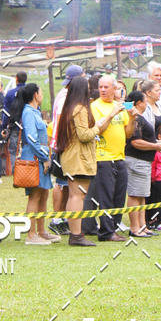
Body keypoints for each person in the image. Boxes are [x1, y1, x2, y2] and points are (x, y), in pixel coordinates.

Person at [56, 75, 121, 247]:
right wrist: (99, 126)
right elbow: (84, 135)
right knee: (78, 196)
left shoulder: (70, 107)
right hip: (79, 158)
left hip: (71, 156)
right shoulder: (80, 109)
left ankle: (75, 233)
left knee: (74, 196)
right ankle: (76, 235)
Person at [82, 73, 139, 242]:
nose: (102, 90)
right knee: (105, 197)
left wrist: (133, 118)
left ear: (115, 89)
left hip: (120, 157)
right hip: (103, 158)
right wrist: (111, 114)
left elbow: (128, 133)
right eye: (100, 87)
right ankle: (106, 232)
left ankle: (113, 227)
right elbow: (98, 130)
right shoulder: (94, 107)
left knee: (119, 196)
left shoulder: (119, 106)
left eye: (106, 87)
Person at [13, 83, 56, 246]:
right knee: (35, 195)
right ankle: (31, 234)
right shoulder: (28, 113)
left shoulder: (35, 112)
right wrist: (44, 157)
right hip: (34, 158)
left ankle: (41, 231)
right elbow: (31, 138)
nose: (42, 95)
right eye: (41, 92)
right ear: (35, 95)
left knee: (43, 194)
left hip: (41, 157)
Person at [48, 64, 84, 236]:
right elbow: (62, 121)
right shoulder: (65, 97)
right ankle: (57, 218)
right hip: (64, 145)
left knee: (67, 184)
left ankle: (64, 218)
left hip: (64, 144)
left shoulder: (68, 94)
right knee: (62, 184)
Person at [124, 88, 161, 238]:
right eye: (145, 101)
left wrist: (155, 143)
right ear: (138, 103)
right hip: (136, 160)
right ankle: (135, 228)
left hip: (144, 161)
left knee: (142, 195)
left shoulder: (139, 117)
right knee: (135, 195)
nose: (147, 104)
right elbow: (135, 142)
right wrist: (155, 146)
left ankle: (142, 226)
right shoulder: (135, 119)